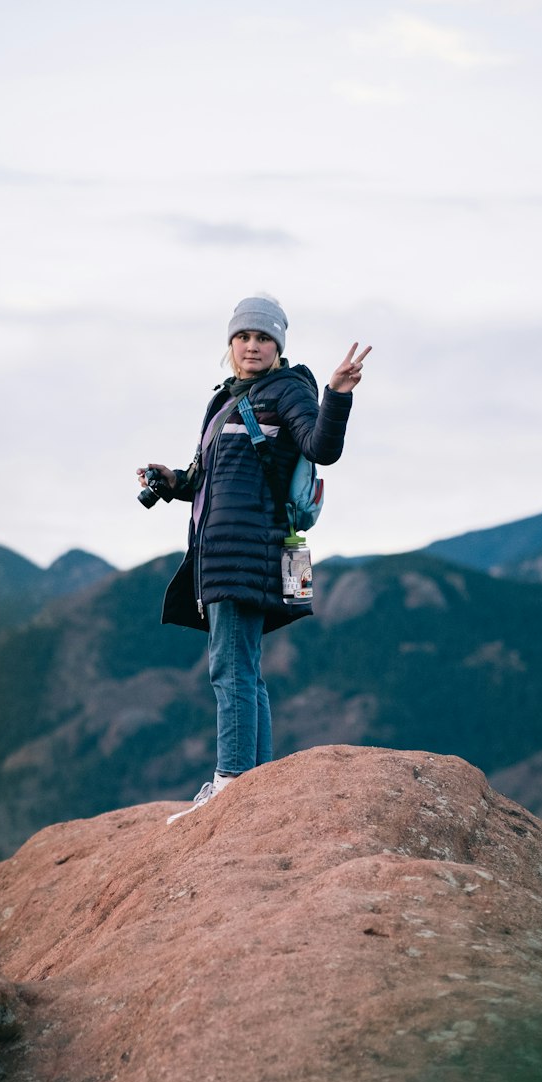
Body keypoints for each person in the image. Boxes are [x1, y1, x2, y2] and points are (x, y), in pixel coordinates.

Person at [138, 293, 370, 824]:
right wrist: (171, 480)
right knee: (244, 668)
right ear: (230, 344)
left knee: (230, 669)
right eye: (243, 337)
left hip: (250, 548)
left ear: (278, 346)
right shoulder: (226, 399)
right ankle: (254, 785)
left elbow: (320, 446)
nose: (251, 345)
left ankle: (233, 784)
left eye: (263, 338)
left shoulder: (287, 390)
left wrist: (336, 395)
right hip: (221, 550)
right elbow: (206, 478)